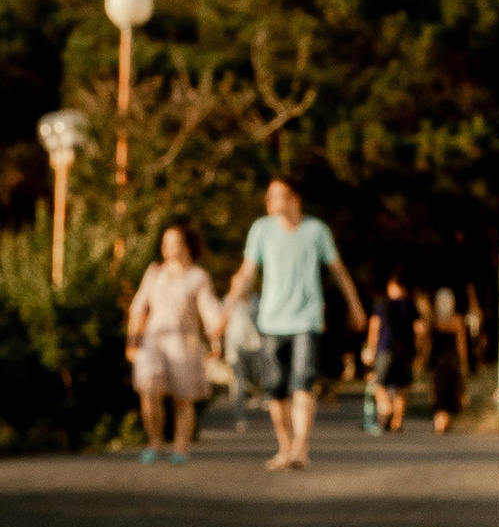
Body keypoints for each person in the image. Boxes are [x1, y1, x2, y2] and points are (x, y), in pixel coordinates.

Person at [223, 178, 365, 472]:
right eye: (269, 196)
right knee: (275, 389)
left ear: (294, 198)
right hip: (271, 320)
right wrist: (226, 310)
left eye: (277, 196)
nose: (271, 202)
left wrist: (355, 305)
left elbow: (337, 270)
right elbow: (247, 273)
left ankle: (301, 447)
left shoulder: (316, 231)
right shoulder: (261, 230)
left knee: (303, 381)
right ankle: (284, 446)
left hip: (306, 319)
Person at [124, 222, 223, 459]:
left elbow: (208, 310)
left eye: (174, 242)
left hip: (184, 342)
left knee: (183, 397)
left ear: (186, 246)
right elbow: (138, 308)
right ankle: (155, 442)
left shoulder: (198, 277)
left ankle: (180, 447)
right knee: (149, 389)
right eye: (165, 242)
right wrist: (132, 342)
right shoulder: (154, 272)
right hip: (153, 340)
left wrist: (216, 335)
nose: (167, 247)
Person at [364, 271, 419, 433]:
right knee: (403, 387)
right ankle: (397, 421)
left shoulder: (382, 305)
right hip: (406, 351)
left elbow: (374, 327)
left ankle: (386, 407)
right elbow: (420, 329)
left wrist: (370, 349)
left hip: (385, 348)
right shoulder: (411, 306)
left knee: (378, 382)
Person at [424, 284, 472, 432]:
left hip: (437, 360)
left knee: (439, 391)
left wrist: (424, 357)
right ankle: (444, 422)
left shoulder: (433, 319)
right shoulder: (457, 320)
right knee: (450, 391)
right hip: (452, 360)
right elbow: (461, 344)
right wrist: (464, 363)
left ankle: (440, 421)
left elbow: (427, 341)